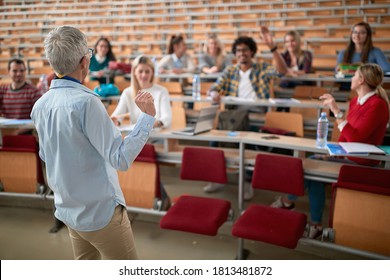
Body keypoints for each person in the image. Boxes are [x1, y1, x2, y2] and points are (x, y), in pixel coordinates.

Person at [31, 26, 156, 260]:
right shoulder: (88, 103)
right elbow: (120, 159)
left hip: (69, 210)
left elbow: (49, 156)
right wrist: (147, 118)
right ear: (84, 62)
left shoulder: (40, 105)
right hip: (101, 214)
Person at [272, 63, 390, 239]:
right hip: (348, 155)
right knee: (313, 167)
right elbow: (346, 136)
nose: (351, 79)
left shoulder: (377, 105)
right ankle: (315, 223)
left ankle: (288, 202)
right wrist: (333, 152)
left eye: (354, 75)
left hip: (363, 161)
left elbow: (356, 138)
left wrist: (336, 111)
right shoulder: (355, 101)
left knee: (310, 166)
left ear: (362, 80)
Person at [205, 26, 288, 197]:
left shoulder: (262, 68)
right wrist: (213, 92)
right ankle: (217, 178)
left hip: (256, 116)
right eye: (238, 50)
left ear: (252, 52)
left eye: (245, 50)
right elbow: (216, 86)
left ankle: (248, 181)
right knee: (213, 138)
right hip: (234, 115)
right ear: (235, 54)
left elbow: (282, 71)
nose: (241, 53)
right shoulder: (230, 70)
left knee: (249, 140)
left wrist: (273, 48)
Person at [111, 55, 172, 129]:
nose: (144, 75)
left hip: (157, 136)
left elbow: (167, 118)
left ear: (152, 72)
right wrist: (116, 121)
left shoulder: (162, 91)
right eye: (140, 71)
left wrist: (156, 123)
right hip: (136, 138)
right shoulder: (127, 92)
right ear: (134, 72)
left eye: (147, 71)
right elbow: (117, 115)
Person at [336, 22, 390, 89]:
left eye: (362, 33)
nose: (357, 35)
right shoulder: (343, 52)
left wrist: (367, 72)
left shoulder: (376, 52)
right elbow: (337, 72)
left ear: (368, 35)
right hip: (346, 89)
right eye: (355, 32)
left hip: (368, 89)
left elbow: (387, 69)